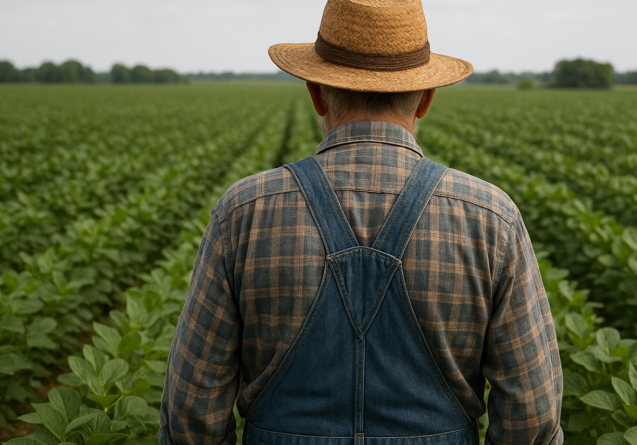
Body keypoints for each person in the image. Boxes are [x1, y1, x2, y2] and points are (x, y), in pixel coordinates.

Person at [159, 0, 563, 444]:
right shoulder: (490, 217)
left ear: (314, 92)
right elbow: (531, 412)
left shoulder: (244, 211)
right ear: (427, 98)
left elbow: (192, 408)